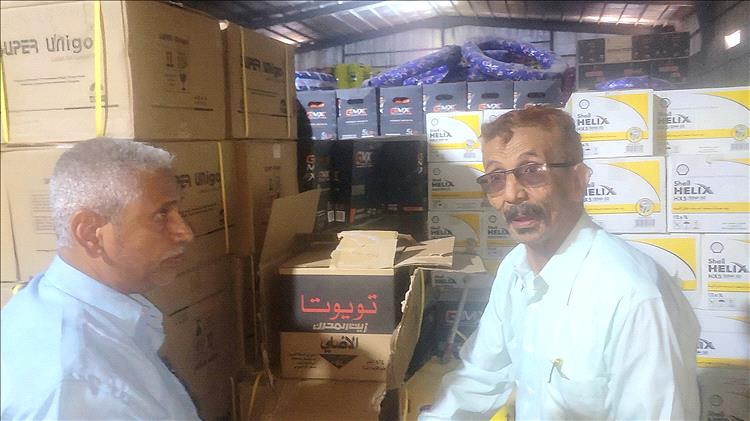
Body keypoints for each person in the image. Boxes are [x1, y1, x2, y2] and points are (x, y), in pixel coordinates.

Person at [420, 107, 699, 420]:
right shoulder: (514, 268)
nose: (512, 194)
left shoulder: (634, 296)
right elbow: (479, 378)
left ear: (578, 181)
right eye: (496, 178)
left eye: (532, 171)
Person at [1, 138, 200, 419]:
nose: (185, 232)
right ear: (89, 233)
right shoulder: (79, 386)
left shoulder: (48, 300)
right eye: (161, 214)